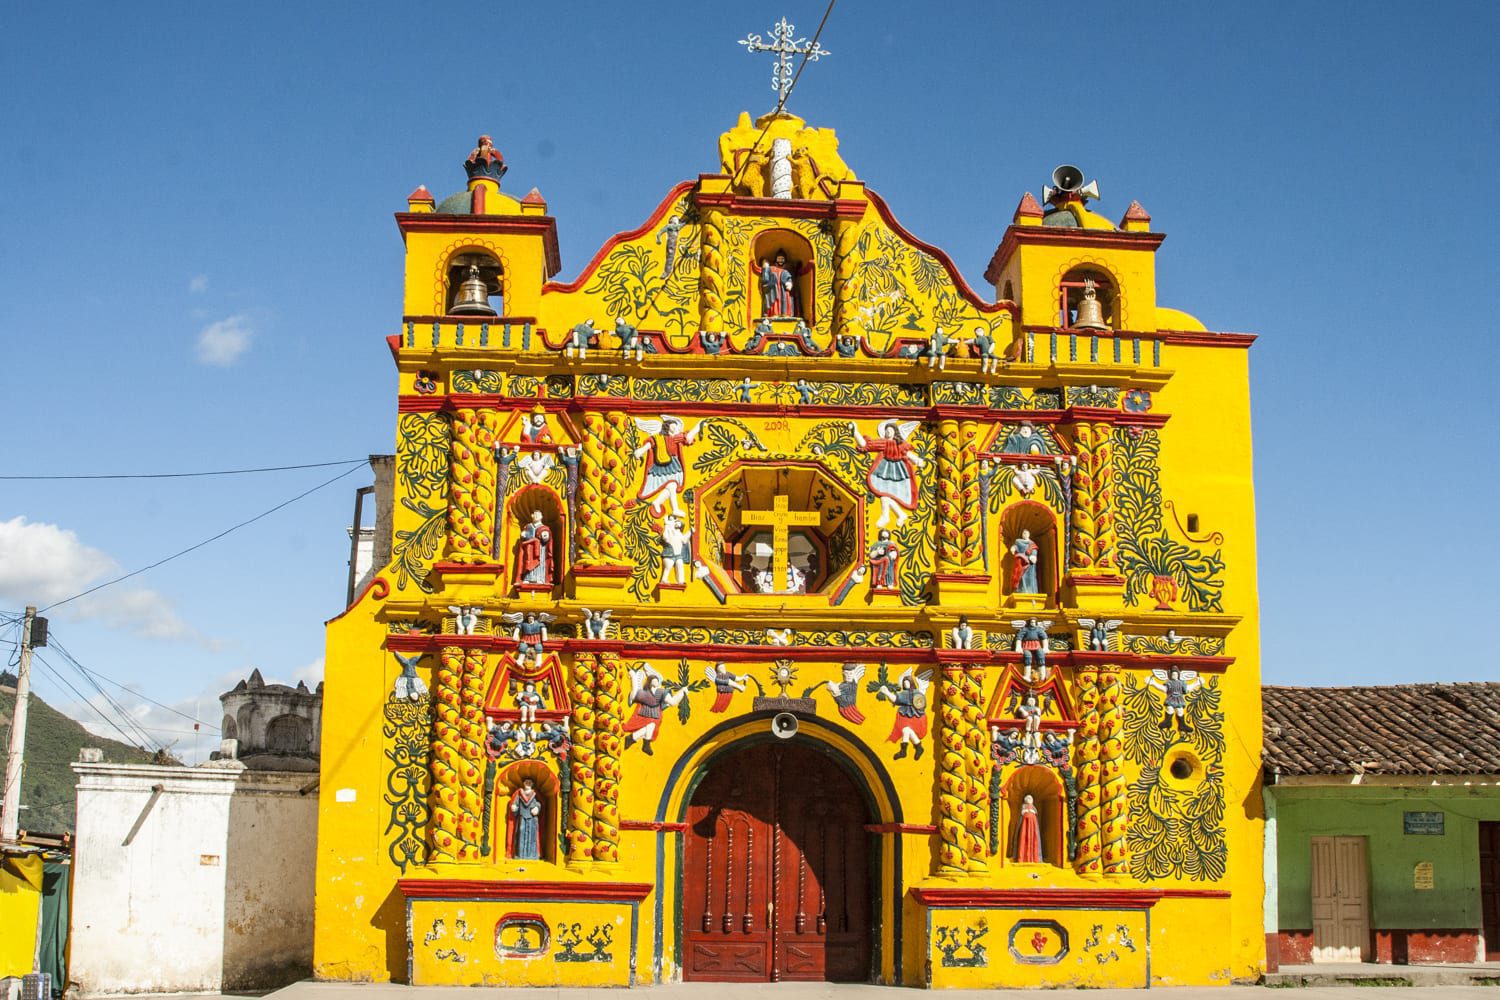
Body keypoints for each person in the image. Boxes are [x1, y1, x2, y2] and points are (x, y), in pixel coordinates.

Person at [850, 420, 925, 527]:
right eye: (886, 431)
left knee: (885, 496)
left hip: (899, 472)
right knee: (884, 495)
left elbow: (908, 453)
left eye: (890, 430)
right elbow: (865, 444)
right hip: (884, 471)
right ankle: (896, 514)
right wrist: (855, 432)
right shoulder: (884, 443)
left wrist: (917, 460)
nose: (888, 432)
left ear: (895, 432)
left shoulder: (900, 444)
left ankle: (892, 515)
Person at [633, 416, 704, 516]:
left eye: (676, 426)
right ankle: (673, 508)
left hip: (674, 465)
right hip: (663, 466)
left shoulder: (675, 438)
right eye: (673, 425)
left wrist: (698, 426)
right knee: (672, 486)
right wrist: (641, 451)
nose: (675, 427)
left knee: (672, 486)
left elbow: (687, 437)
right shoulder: (660, 437)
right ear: (667, 426)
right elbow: (651, 442)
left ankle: (658, 502)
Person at [508, 778, 543, 861]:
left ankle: (532, 854)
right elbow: (515, 802)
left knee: (532, 835)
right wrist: (514, 806)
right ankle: (520, 854)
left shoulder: (535, 794)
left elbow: (539, 802)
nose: (528, 783)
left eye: (530, 782)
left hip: (532, 819)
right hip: (521, 817)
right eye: (526, 782)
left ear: (532, 784)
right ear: (523, 783)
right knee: (521, 833)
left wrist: (537, 808)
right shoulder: (519, 793)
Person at [517, 510, 552, 586]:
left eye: (538, 515)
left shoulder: (544, 527)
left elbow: (547, 538)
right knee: (528, 562)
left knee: (539, 563)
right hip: (529, 548)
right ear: (532, 516)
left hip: (540, 549)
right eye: (535, 514)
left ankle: (539, 578)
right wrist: (523, 534)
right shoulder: (528, 526)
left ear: (541, 517)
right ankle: (527, 578)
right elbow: (524, 535)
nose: (536, 516)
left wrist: (545, 536)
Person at [659, 515, 691, 586]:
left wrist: (690, 532)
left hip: (678, 554)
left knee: (680, 565)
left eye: (678, 523)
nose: (676, 523)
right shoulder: (669, 530)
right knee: (668, 566)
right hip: (670, 553)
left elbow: (684, 540)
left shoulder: (679, 534)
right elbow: (665, 538)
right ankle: (664, 579)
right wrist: (666, 525)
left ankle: (681, 581)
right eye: (676, 522)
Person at [1013, 793, 1043, 864]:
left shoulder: (1033, 808)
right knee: (1023, 839)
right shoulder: (1023, 807)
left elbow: (1036, 813)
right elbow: (1021, 815)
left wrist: (1032, 812)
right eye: (1028, 798)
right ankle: (1022, 857)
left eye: (1030, 798)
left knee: (1034, 840)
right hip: (1024, 827)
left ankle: (1034, 858)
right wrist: (1024, 812)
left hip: (1033, 827)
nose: (1029, 799)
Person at [1010, 528, 1039, 593]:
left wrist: (1033, 556)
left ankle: (1029, 591)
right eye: (1023, 533)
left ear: (1028, 535)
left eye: (1025, 533)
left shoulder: (1032, 544)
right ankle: (1021, 590)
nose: (1024, 535)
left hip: (1029, 563)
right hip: (1020, 562)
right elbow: (1015, 547)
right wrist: (1013, 548)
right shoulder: (1018, 542)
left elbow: (1034, 550)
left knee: (1029, 578)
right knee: (1020, 576)